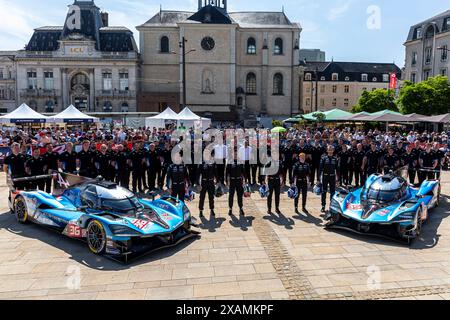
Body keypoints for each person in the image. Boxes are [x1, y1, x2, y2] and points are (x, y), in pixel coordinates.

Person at [226, 147, 245, 216]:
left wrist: (245, 181)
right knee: (231, 195)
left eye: (237, 154)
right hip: (232, 181)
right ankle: (230, 209)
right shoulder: (230, 162)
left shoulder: (241, 162)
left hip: (239, 181)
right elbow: (227, 173)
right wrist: (227, 182)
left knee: (239, 195)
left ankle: (241, 208)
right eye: (234, 154)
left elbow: (244, 172)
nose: (236, 155)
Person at [319, 145, 339, 213]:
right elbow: (320, 169)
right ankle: (323, 206)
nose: (330, 151)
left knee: (332, 192)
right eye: (329, 149)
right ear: (327, 150)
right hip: (325, 176)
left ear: (333, 151)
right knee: (324, 191)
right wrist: (319, 178)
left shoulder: (335, 159)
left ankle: (331, 206)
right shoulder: (323, 158)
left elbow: (337, 170)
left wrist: (338, 180)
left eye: (331, 149)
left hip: (332, 177)